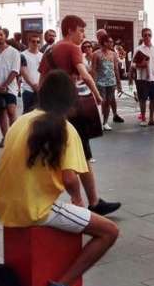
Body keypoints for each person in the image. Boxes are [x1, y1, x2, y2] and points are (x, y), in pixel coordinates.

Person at [0, 70, 118, 286]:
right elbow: (70, 178)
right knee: (109, 232)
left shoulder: (21, 120)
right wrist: (79, 202)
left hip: (6, 206)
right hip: (34, 210)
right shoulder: (64, 127)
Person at [38, 15, 121, 216]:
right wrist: (98, 95)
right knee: (82, 154)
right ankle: (90, 201)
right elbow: (84, 74)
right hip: (71, 108)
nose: (83, 35)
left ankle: (72, 200)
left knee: (61, 153)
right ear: (70, 30)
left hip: (53, 110)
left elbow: (41, 81)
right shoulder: (72, 48)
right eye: (81, 31)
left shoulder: (49, 50)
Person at [0, 27, 21, 148]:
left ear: (5, 36)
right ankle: (5, 137)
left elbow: (15, 70)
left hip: (10, 88)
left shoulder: (14, 52)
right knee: (1, 111)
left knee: (11, 111)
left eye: (1, 35)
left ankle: (14, 137)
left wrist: (5, 84)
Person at [91, 33, 122, 131]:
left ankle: (105, 122)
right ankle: (99, 121)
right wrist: (94, 83)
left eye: (112, 42)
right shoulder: (96, 54)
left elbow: (116, 69)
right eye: (110, 42)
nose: (112, 43)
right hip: (100, 82)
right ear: (104, 42)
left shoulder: (113, 54)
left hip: (111, 82)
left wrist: (119, 83)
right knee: (101, 102)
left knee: (108, 102)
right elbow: (94, 69)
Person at [133, 28, 154, 126]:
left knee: (153, 99)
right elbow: (133, 65)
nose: (147, 37)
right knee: (142, 99)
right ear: (142, 36)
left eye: (149, 35)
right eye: (145, 35)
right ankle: (143, 119)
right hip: (142, 78)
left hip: (153, 78)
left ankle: (151, 119)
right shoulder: (138, 49)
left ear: (151, 36)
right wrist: (141, 65)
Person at [20, 34, 43, 113]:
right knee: (27, 113)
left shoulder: (42, 56)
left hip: (40, 89)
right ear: (28, 42)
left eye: (38, 42)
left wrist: (40, 86)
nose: (36, 43)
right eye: (33, 41)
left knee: (40, 114)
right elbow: (23, 72)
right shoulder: (23, 55)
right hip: (28, 89)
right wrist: (33, 85)